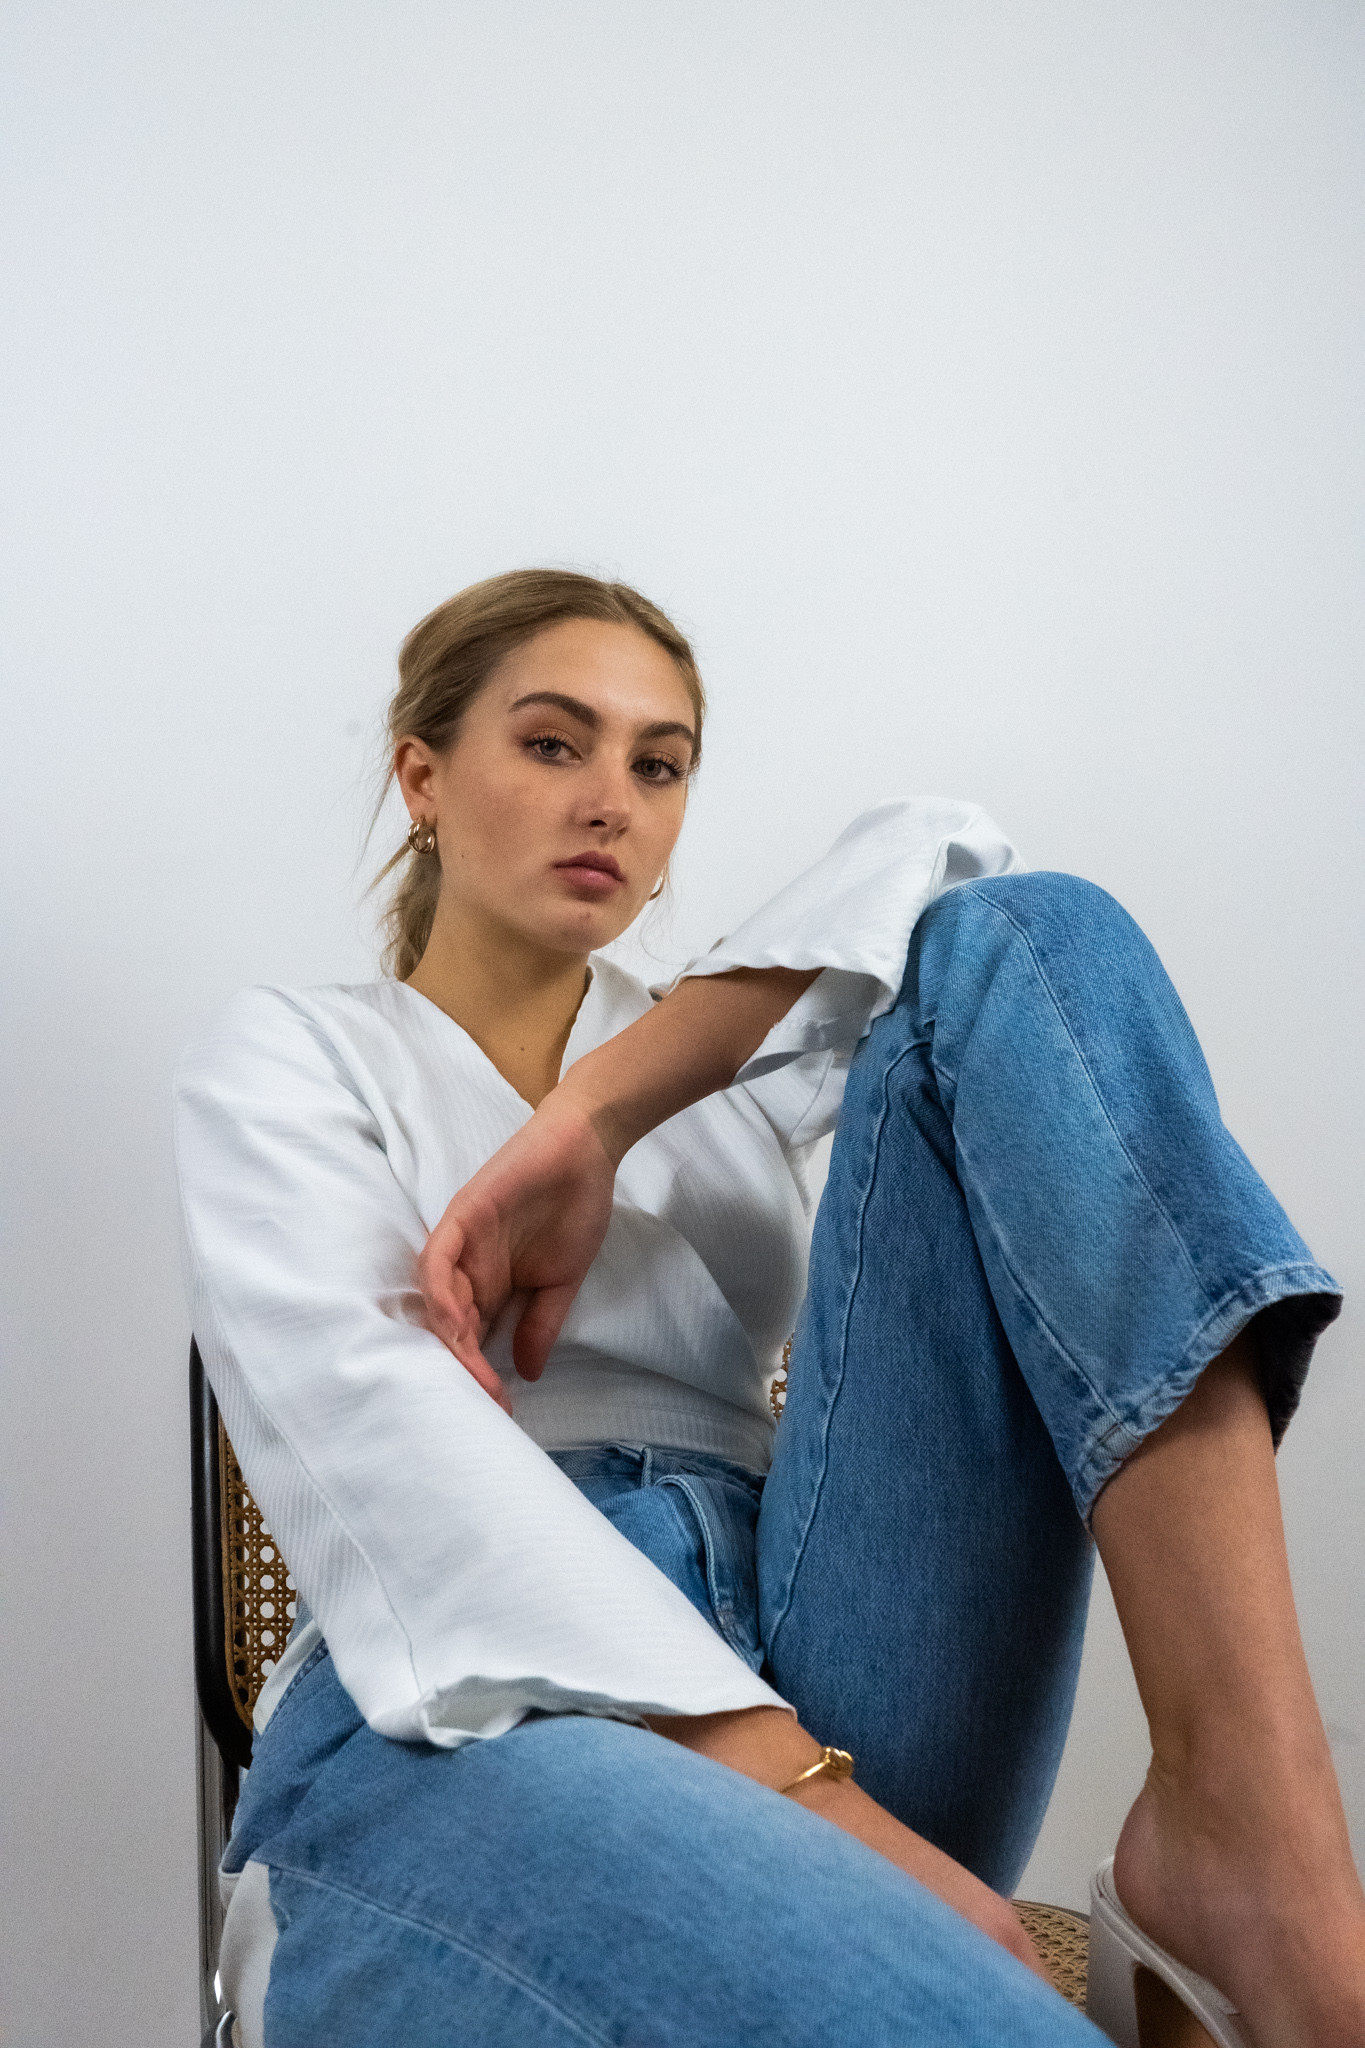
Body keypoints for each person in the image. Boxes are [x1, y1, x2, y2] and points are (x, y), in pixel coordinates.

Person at [175, 568, 1364, 2048]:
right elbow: (392, 1468)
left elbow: (954, 867)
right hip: (474, 1702)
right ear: (421, 777)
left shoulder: (721, 1073)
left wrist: (601, 1113)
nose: (610, 802)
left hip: (820, 1626)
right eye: (552, 743)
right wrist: (810, 1794)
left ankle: (1245, 1821)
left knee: (1029, 937)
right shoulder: (292, 1055)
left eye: (657, 765)